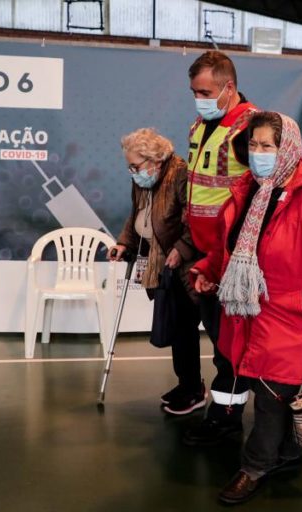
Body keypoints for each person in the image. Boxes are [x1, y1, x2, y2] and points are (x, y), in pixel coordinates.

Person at [192, 112, 302, 505]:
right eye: (253, 145)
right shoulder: (248, 188)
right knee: (266, 388)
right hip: (248, 313)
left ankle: (254, 467)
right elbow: (228, 245)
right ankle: (287, 451)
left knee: (270, 397)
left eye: (267, 145)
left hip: (290, 317)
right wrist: (206, 268)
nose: (259, 153)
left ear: (288, 148)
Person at [183, 50, 259, 445]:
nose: (199, 98)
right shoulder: (201, 124)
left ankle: (226, 418)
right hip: (203, 255)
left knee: (232, 345)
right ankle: (224, 412)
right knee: (219, 341)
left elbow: (252, 200)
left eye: (206, 91)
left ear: (228, 87)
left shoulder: (249, 128)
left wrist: (221, 261)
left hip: (231, 258)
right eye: (195, 91)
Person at [108, 128, 204, 415]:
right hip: (161, 262)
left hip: (184, 264)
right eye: (129, 166)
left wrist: (181, 249)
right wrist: (124, 243)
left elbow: (195, 218)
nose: (132, 172)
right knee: (177, 328)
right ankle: (187, 383)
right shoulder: (143, 180)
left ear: (156, 161)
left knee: (185, 328)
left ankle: (194, 391)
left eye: (135, 166)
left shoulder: (180, 175)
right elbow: (137, 213)